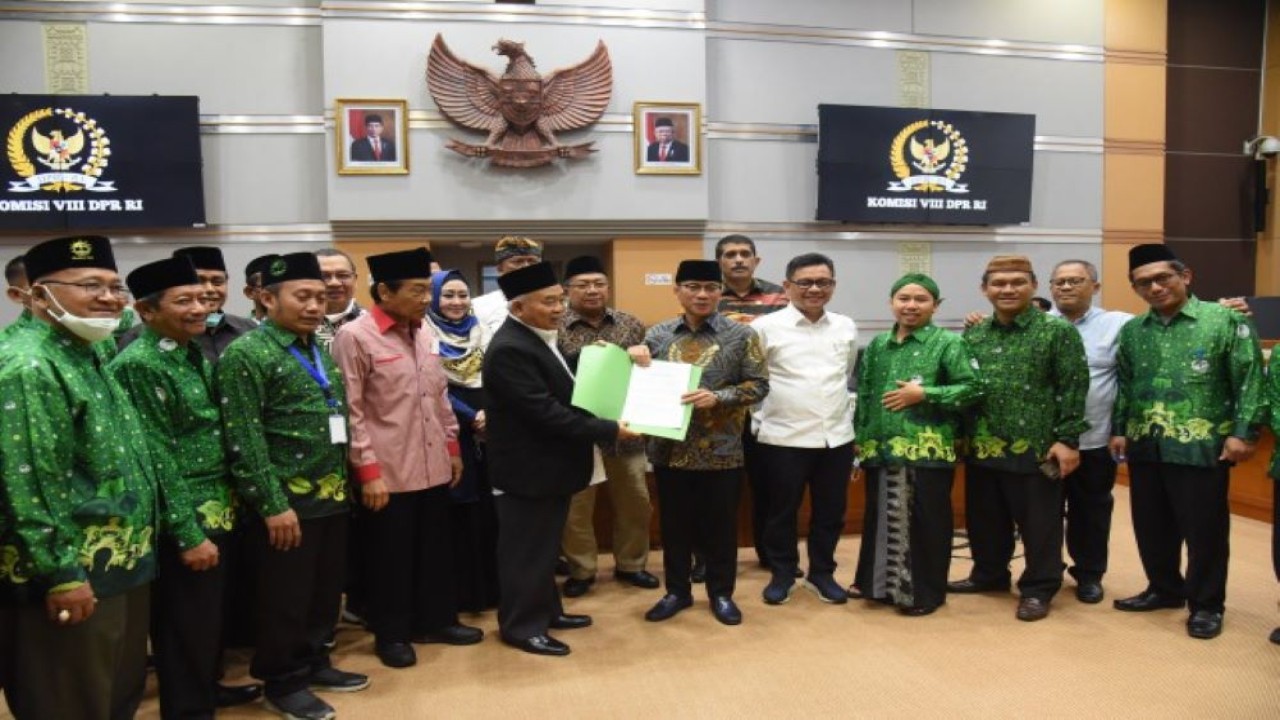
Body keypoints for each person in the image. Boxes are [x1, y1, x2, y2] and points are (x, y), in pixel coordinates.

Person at [0, 235, 157, 719]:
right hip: (69, 571)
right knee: (70, 700)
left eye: (115, 287)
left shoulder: (86, 350)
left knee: (113, 696)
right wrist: (60, 573)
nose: (109, 298)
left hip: (118, 562)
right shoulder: (29, 364)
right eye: (90, 285)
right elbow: (28, 482)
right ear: (36, 294)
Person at [218, 252, 369, 720]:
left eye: (320, 297)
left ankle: (314, 660)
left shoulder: (315, 348)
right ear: (266, 298)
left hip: (330, 495)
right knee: (284, 597)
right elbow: (244, 437)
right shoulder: (246, 354)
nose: (313, 306)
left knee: (324, 592)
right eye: (302, 296)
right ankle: (282, 680)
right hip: (286, 502)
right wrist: (271, 504)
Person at [109, 256, 259, 718]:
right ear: (147, 311)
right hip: (187, 514)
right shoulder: (140, 363)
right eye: (184, 300)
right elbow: (157, 457)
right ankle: (188, 709)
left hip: (221, 505)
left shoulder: (190, 350)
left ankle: (208, 688)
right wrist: (188, 532)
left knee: (211, 619)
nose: (200, 306)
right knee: (184, 624)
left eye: (202, 297)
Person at [332, 248, 482, 670]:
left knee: (435, 551)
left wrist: (453, 449)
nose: (425, 299)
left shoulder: (424, 333)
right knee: (389, 559)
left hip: (434, 465)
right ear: (384, 291)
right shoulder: (355, 337)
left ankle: (437, 621)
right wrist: (368, 473)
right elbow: (352, 410)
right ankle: (392, 634)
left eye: (426, 290)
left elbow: (439, 399)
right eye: (417, 291)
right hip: (388, 474)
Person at [1109, 244, 1265, 640]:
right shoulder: (1132, 331)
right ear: (1135, 288)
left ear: (1186, 276)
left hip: (1202, 446)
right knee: (1151, 525)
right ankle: (1164, 589)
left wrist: (1243, 432)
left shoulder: (1224, 320)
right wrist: (1120, 428)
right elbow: (1125, 384)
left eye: (1164, 278)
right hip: (1146, 444)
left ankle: (1207, 604)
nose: (1156, 287)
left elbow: (1249, 379)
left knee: (1204, 532)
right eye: (1144, 283)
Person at [483, 262, 635, 657]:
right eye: (549, 301)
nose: (559, 309)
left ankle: (547, 611)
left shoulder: (537, 336)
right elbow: (546, 413)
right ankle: (521, 627)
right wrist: (611, 429)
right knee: (526, 553)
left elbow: (565, 384)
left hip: (549, 468)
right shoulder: (510, 348)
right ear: (517, 308)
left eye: (559, 299)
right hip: (527, 472)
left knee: (545, 549)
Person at [948, 255, 1089, 622]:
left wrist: (1068, 438)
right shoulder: (975, 333)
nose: (1007, 289)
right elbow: (967, 388)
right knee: (985, 519)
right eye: (998, 283)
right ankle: (990, 575)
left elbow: (1073, 387)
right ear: (984, 289)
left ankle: (1039, 588)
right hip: (984, 444)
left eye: (1017, 282)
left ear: (1034, 286)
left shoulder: (1057, 332)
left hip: (1038, 448)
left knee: (1040, 524)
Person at [630, 260, 770, 627]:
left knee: (721, 528)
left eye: (710, 287)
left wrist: (719, 398)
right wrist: (633, 358)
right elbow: (637, 386)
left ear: (720, 292)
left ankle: (721, 593)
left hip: (722, 450)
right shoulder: (656, 335)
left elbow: (759, 385)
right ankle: (676, 591)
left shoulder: (742, 335)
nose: (702, 294)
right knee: (674, 527)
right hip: (669, 451)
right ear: (677, 290)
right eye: (693, 286)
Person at [852, 273, 981, 616]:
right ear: (891, 303)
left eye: (921, 299)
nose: (911, 305)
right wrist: (861, 438)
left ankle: (922, 594)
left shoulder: (948, 343)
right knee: (882, 518)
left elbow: (972, 389)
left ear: (935, 306)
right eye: (904, 298)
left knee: (926, 522)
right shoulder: (879, 345)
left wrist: (926, 394)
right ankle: (878, 587)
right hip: (881, 448)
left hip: (928, 449)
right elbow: (865, 394)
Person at [751, 253, 858, 607]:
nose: (815, 289)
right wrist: (760, 421)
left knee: (831, 512)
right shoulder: (764, 328)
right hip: (783, 437)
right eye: (805, 282)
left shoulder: (845, 325)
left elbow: (845, 375)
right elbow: (754, 380)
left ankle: (822, 574)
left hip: (836, 438)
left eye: (823, 282)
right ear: (787, 287)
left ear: (834, 286)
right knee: (781, 511)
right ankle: (783, 573)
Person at [555, 256, 658, 598]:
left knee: (635, 501)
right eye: (583, 285)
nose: (592, 290)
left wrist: (645, 359)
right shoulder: (554, 325)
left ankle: (632, 565)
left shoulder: (630, 323)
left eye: (599, 283)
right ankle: (582, 569)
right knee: (576, 507)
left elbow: (649, 376)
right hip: (577, 433)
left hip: (624, 429)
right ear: (566, 289)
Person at [714, 234, 790, 579]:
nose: (738, 260)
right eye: (730, 254)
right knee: (717, 490)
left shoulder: (780, 295)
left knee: (769, 486)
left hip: (767, 403)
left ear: (756, 261)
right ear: (720, 262)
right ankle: (710, 558)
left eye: (745, 254)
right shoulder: (708, 294)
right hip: (721, 406)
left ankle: (769, 554)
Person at [425, 269, 500, 613]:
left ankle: (490, 591)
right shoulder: (424, 333)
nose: (457, 303)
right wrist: (471, 416)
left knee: (490, 512)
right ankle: (460, 595)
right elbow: (434, 384)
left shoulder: (482, 331)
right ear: (434, 298)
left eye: (462, 295)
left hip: (491, 429)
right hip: (450, 431)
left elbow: (497, 376)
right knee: (458, 513)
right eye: (448, 295)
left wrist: (491, 414)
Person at [117, 246, 257, 363]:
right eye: (199, 281)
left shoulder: (250, 329)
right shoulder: (138, 338)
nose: (209, 289)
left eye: (217, 281)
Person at [471, 236, 544, 337]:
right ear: (500, 269)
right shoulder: (478, 306)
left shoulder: (556, 305)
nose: (527, 266)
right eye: (518, 261)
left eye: (532, 261)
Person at [314, 248, 364, 350]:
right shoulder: (293, 326)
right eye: (324, 276)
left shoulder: (372, 326)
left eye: (343, 275)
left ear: (355, 280)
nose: (334, 283)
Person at [243, 253, 280, 325]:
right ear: (250, 292)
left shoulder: (300, 330)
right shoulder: (239, 331)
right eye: (269, 286)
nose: (278, 291)